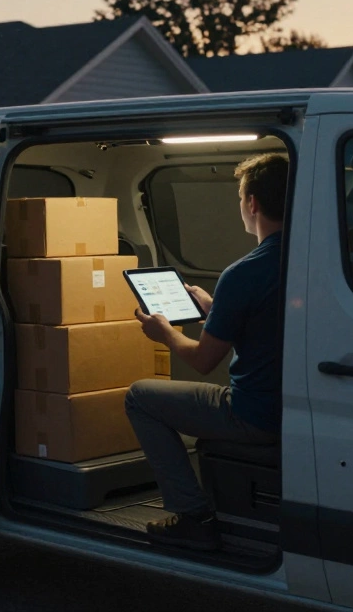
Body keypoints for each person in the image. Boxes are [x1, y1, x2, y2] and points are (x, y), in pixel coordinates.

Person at [125, 152, 287, 550]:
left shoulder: (245, 272)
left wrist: (164, 332)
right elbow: (270, 326)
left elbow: (202, 361)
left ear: (251, 203)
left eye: (239, 199)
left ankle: (193, 515)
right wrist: (217, 310)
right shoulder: (302, 260)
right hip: (290, 405)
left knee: (140, 397)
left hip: (253, 413)